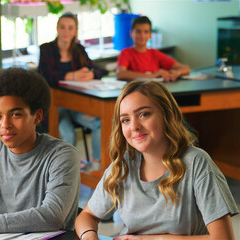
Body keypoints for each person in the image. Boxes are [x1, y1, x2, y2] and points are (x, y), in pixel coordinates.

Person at [75, 81, 238, 239]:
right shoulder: (122, 166)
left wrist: (153, 239)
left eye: (144, 114)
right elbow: (87, 215)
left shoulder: (196, 162)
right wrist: (89, 236)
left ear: (169, 115)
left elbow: (223, 238)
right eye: (125, 120)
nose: (134, 126)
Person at [0, 68, 80, 234]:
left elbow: (52, 216)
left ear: (37, 116)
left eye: (15, 114)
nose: (5, 124)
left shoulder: (62, 155)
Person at [38, 12, 102, 168]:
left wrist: (90, 74)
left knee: (99, 123)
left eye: (70, 28)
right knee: (69, 134)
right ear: (57, 28)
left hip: (76, 106)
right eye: (62, 27)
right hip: (54, 108)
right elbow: (45, 75)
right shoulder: (46, 49)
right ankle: (68, 168)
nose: (66, 31)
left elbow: (98, 71)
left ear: (75, 31)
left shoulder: (79, 50)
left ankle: (96, 165)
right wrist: (72, 75)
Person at [116, 16, 190, 82]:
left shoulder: (155, 53)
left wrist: (177, 73)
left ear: (150, 35)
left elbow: (186, 68)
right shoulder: (125, 53)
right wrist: (152, 76)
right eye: (138, 31)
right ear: (131, 33)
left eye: (146, 32)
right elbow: (120, 74)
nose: (142, 35)